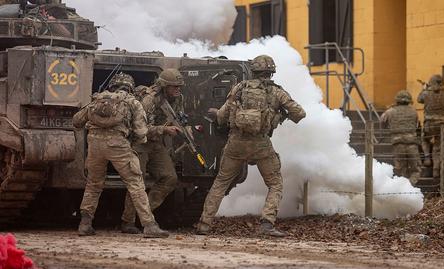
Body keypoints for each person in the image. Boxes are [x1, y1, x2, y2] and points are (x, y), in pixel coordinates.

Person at [196, 55, 306, 237]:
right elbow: (300, 113)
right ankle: (266, 224)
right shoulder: (276, 92)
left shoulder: (239, 88)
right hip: (261, 144)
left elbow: (222, 116)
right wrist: (282, 114)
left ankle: (204, 225)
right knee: (275, 184)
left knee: (220, 184)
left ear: (253, 71)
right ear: (271, 72)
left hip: (236, 143)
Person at [72, 72, 168, 238]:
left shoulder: (97, 99)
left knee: (94, 184)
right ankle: (149, 225)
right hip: (118, 144)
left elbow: (77, 121)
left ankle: (85, 224)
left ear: (112, 85)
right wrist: (132, 141)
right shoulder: (132, 102)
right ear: (130, 86)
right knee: (136, 183)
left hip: (94, 144)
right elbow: (141, 131)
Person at [120, 69, 184, 234]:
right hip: (141, 142)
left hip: (156, 144)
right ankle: (128, 221)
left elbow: (178, 117)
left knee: (170, 178)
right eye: (174, 86)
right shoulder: (150, 100)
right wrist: (164, 130)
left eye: (179, 86)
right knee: (137, 182)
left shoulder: (177, 98)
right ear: (164, 86)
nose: (178, 89)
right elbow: (139, 129)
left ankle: (145, 213)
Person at [380, 90, 421, 185]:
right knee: (416, 169)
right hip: (412, 144)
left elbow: (382, 122)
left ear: (397, 100)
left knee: (401, 171)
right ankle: (411, 185)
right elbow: (417, 125)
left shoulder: (390, 111)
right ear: (409, 100)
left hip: (397, 144)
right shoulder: (414, 112)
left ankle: (404, 188)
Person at [417, 74, 444, 178]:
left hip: (429, 124)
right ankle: (436, 169)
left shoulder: (426, 93)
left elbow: (419, 99)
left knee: (425, 139)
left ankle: (427, 158)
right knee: (437, 148)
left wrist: (424, 88)